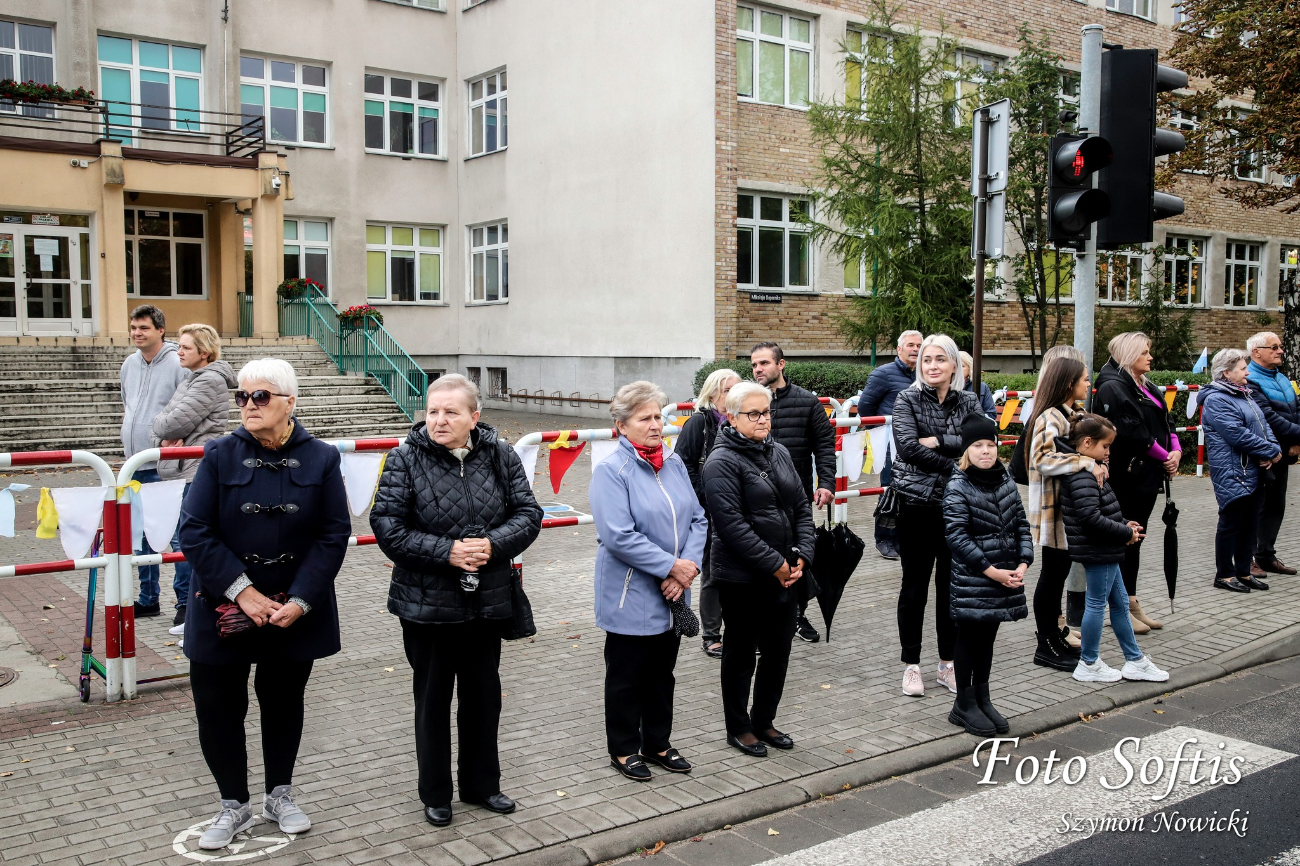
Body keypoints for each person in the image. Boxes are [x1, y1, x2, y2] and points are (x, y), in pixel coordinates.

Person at [177, 358, 351, 850]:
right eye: (241, 397)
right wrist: (242, 591)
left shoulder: (321, 458)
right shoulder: (218, 455)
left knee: (282, 703)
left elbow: (333, 534)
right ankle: (233, 804)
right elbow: (193, 530)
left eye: (260, 397)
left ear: (289, 402)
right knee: (217, 708)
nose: (248, 406)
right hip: (223, 609)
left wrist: (301, 599)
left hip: (291, 612)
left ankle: (280, 794)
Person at [371, 374, 543, 827]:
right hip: (427, 605)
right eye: (432, 411)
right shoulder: (404, 459)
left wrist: (493, 544)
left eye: (451, 412)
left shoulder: (502, 456)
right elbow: (388, 528)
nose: (439, 420)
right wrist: (447, 552)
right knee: (432, 700)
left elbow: (528, 513)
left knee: (484, 698)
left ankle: (482, 785)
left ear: (474, 417)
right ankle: (435, 793)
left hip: (487, 600)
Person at [589, 382, 709, 781]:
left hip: (673, 590)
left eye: (659, 416)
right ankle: (623, 750)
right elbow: (618, 535)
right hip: (630, 594)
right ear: (623, 426)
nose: (657, 425)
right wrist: (671, 568)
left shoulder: (672, 464)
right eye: (646, 418)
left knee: (662, 674)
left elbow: (697, 518)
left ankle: (657, 742)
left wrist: (687, 566)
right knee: (626, 678)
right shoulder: (612, 471)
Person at [702, 381, 815, 758]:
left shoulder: (779, 451)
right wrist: (776, 564)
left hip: (786, 572)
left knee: (778, 651)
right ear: (732, 418)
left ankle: (764, 720)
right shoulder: (720, 462)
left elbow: (801, 506)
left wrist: (801, 557)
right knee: (740, 654)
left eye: (766, 412)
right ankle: (738, 726)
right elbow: (732, 526)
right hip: (742, 577)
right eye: (753, 414)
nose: (763, 419)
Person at [890, 334, 982, 697]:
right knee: (914, 589)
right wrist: (958, 460)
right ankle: (911, 665)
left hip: (958, 506)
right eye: (926, 359)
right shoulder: (907, 398)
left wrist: (939, 440)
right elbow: (908, 448)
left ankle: (948, 664)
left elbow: (979, 441)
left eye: (939, 360)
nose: (931, 366)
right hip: (916, 505)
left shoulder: (970, 399)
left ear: (954, 366)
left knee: (951, 588)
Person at [1057, 414, 1169, 684]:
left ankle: (1135, 660)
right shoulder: (1084, 474)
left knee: (1118, 605)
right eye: (1105, 446)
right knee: (1097, 604)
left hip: (1103, 547)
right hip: (1099, 548)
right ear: (1086, 442)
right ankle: (1089, 662)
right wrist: (1125, 532)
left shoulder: (1090, 469)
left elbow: (1102, 510)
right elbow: (1090, 518)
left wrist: (1122, 523)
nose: (1108, 452)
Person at [942, 414, 1032, 736]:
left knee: (989, 638)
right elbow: (956, 537)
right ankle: (963, 705)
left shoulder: (1005, 480)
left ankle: (983, 695)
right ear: (967, 450)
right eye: (978, 445)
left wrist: (1023, 563)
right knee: (970, 638)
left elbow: (1021, 523)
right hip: (975, 578)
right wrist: (992, 571)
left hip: (1006, 574)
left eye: (991, 445)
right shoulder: (957, 485)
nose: (986, 451)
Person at [151, 324, 237, 634]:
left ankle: (191, 610)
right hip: (182, 468)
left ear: (204, 352)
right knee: (183, 539)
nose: (179, 352)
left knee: (189, 540)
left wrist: (163, 431)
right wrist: (162, 434)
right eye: (179, 346)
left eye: (186, 347)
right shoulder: (192, 378)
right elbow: (162, 423)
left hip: (194, 469)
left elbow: (169, 421)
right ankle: (188, 609)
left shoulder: (209, 381)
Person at [1093, 332, 1179, 635]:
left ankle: (1130, 599)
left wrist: (1176, 451)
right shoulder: (1113, 386)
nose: (1150, 357)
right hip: (1127, 476)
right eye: (1145, 353)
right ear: (1129, 354)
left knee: (1136, 539)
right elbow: (1133, 432)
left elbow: (1166, 423)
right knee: (1124, 539)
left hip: (1147, 473)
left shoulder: (1145, 385)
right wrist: (1164, 455)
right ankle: (1119, 605)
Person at [750, 341, 835, 642]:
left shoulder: (806, 402)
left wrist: (826, 482)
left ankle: (796, 616)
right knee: (762, 559)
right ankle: (759, 625)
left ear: (781, 364)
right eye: (754, 365)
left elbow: (824, 445)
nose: (758, 369)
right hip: (756, 499)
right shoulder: (748, 402)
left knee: (798, 556)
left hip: (795, 497)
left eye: (763, 363)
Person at [1021, 345, 1096, 672]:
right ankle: (1046, 642)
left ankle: (1054, 637)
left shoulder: (1070, 413)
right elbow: (1041, 459)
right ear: (1067, 383)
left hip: (1066, 509)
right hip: (1053, 509)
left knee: (1057, 573)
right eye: (1083, 378)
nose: (1088, 382)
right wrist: (1084, 461)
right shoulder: (1050, 416)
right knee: (1052, 576)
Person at [120, 304, 188, 619]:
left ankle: (185, 603)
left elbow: (189, 406)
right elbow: (128, 403)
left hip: (166, 467)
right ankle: (148, 599)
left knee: (175, 537)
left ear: (160, 330)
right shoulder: (129, 364)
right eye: (134, 328)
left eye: (144, 328)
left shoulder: (178, 362)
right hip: (135, 465)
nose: (137, 333)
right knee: (142, 537)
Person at [1202, 349, 1282, 593]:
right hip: (1233, 471)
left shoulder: (1244, 394)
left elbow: (1264, 426)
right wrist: (1269, 451)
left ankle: (1244, 572)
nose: (1248, 372)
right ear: (1226, 373)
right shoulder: (1217, 399)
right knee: (1231, 523)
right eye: (1242, 368)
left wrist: (1274, 449)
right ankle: (1225, 574)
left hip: (1253, 470)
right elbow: (1236, 434)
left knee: (1250, 523)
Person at [676, 368, 741, 659]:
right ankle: (712, 636)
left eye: (737, 389)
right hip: (709, 512)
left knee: (741, 575)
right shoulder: (699, 424)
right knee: (713, 574)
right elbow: (682, 466)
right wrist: (707, 496)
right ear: (713, 393)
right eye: (728, 390)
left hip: (741, 511)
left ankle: (740, 633)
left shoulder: (743, 421)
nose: (733, 395)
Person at [859, 330, 923, 559]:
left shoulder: (924, 375)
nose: (915, 349)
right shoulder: (883, 374)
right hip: (889, 444)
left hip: (917, 445)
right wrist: (880, 437)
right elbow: (866, 409)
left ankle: (905, 537)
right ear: (899, 349)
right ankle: (885, 538)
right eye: (910, 345)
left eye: (919, 345)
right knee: (890, 490)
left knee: (913, 491)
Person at [1245, 332, 1300, 577]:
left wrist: (1296, 441)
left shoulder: (1282, 378)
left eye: (1280, 347)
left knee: (1276, 506)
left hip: (1284, 453)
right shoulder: (1250, 380)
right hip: (1263, 455)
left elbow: (1296, 409)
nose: (1280, 351)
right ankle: (1246, 557)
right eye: (1274, 347)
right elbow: (1268, 418)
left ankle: (1266, 555)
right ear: (1256, 352)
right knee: (1255, 507)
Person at [959, 351, 996, 418]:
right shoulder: (945, 386)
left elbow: (991, 414)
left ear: (969, 367)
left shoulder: (982, 387)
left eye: (962, 366)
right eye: (956, 366)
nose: (959, 369)